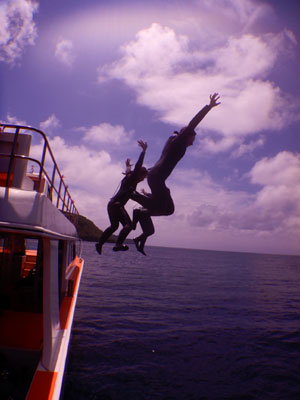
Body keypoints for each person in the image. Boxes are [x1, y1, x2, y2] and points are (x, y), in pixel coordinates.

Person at [131, 93, 221, 255]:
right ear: (187, 136)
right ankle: (136, 203)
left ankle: (141, 232)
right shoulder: (179, 141)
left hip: (155, 176)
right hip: (157, 178)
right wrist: (208, 107)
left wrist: (147, 173)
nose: (193, 142)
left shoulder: (171, 142)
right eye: (192, 139)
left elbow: (163, 159)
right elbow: (193, 124)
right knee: (168, 209)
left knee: (165, 205)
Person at [95, 140, 148, 254]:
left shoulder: (129, 176)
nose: (142, 180)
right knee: (129, 225)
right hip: (117, 205)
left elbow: (128, 171)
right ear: (139, 175)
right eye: (143, 178)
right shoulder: (133, 178)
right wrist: (143, 151)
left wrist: (128, 166)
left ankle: (99, 244)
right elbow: (138, 166)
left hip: (112, 204)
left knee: (114, 226)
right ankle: (118, 244)